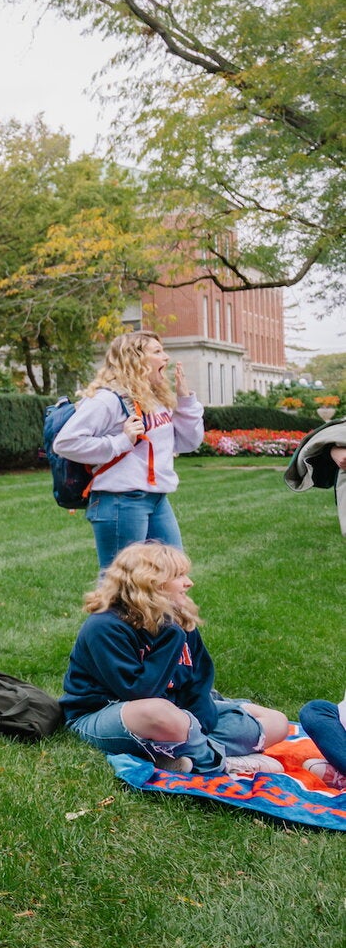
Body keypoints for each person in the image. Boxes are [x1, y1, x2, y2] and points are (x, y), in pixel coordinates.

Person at [59, 541, 289, 777]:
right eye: (179, 576)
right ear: (152, 583)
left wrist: (201, 723)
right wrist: (170, 637)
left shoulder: (177, 620)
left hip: (178, 712)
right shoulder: (105, 626)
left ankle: (179, 754)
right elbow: (138, 693)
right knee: (159, 713)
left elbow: (199, 681)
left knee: (277, 722)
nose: (188, 582)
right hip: (104, 715)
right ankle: (220, 763)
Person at [52, 331, 204, 570]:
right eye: (157, 352)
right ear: (136, 359)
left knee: (172, 573)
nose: (166, 356)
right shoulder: (108, 399)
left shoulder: (154, 398)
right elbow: (65, 443)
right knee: (119, 584)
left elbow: (188, 443)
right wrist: (121, 441)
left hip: (156, 499)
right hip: (121, 501)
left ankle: (163, 610)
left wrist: (185, 401)